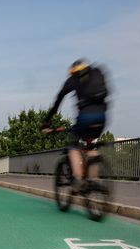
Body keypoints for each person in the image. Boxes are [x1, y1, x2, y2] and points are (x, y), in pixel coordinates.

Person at [42, 59, 110, 190]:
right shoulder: (96, 72)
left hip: (85, 116)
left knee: (72, 144)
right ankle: (93, 180)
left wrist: (46, 121)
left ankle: (78, 180)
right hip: (102, 116)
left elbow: (58, 101)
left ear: (73, 70)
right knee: (91, 146)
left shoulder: (73, 79)